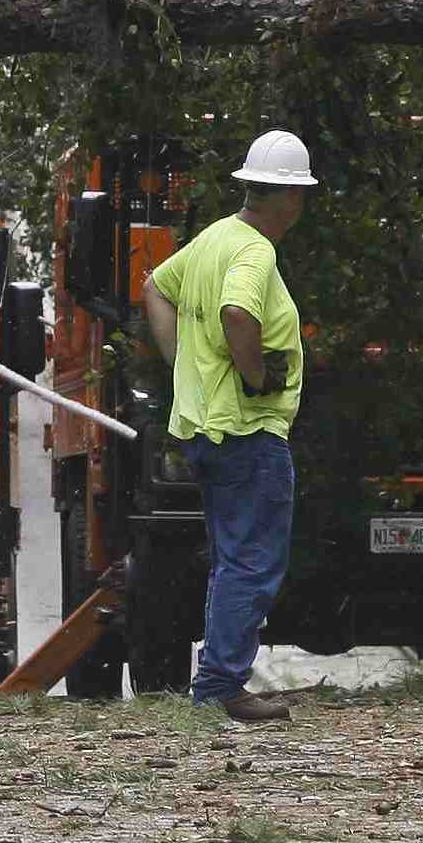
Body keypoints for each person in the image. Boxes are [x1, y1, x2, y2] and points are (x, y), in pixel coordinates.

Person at [141, 130, 317, 725]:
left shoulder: (214, 237)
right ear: (288, 198)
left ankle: (216, 680)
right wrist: (255, 375)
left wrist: (182, 365)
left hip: (207, 429)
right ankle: (220, 685)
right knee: (252, 560)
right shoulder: (254, 250)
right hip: (248, 428)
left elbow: (154, 288)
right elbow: (238, 312)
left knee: (231, 557)